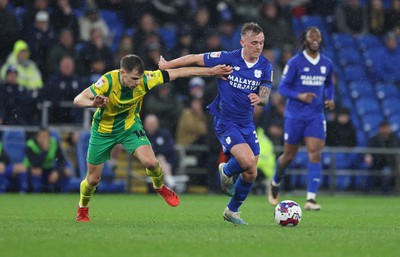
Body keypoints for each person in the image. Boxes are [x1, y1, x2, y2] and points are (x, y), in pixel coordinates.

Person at [73, 54, 232, 222]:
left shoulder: (146, 79)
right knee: (92, 179)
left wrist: (211, 71)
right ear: (122, 73)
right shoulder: (107, 81)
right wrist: (92, 104)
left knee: (152, 163)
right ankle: (83, 208)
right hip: (103, 131)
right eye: (134, 78)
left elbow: (180, 72)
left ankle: (160, 187)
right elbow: (78, 99)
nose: (137, 83)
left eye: (139, 78)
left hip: (129, 127)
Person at [159, 22, 273, 225]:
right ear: (243, 42)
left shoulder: (265, 65)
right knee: (246, 162)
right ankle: (226, 170)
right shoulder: (229, 57)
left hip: (246, 122)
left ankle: (232, 211)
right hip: (226, 120)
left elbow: (265, 92)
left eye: (261, 42)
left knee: (251, 172)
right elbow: (195, 58)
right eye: (254, 42)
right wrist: (168, 65)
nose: (258, 46)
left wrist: (260, 98)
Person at [268, 27, 335, 211]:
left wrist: (330, 98)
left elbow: (329, 83)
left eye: (318, 37)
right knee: (289, 155)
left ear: (321, 40)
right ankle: (275, 182)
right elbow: (283, 89)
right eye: (311, 37)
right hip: (295, 115)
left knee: (315, 152)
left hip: (315, 115)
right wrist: (300, 96)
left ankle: (311, 199)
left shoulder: (327, 63)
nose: (315, 40)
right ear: (305, 40)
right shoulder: (295, 62)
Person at [24, 127, 72, 193]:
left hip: (48, 169)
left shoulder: (54, 143)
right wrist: (45, 151)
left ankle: (64, 194)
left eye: (45, 137)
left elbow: (62, 160)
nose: (43, 140)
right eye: (41, 137)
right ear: (37, 137)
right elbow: (35, 163)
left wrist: (57, 172)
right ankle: (35, 193)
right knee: (37, 171)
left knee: (67, 171)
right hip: (32, 169)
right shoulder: (31, 144)